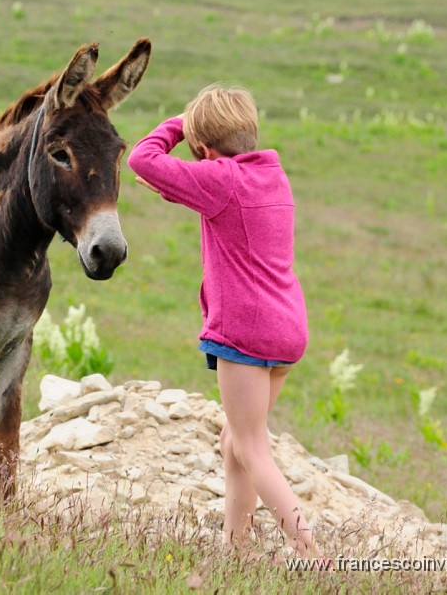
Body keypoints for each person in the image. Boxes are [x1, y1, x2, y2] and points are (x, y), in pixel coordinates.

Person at [128, 84, 322, 561]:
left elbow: (141, 159)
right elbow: (201, 195)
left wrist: (180, 121)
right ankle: (237, 549)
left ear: (203, 149)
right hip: (288, 326)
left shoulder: (219, 181)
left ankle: (314, 554)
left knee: (253, 447)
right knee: (233, 439)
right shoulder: (272, 175)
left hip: (247, 330)